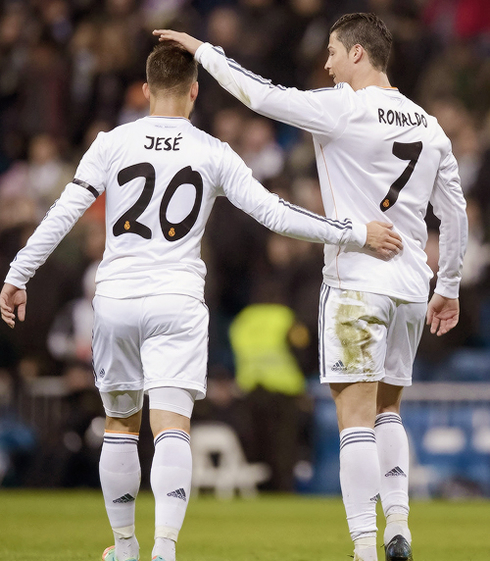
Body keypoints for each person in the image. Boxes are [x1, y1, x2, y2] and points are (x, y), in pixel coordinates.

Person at [0, 40, 401, 561]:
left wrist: (17, 274)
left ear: (146, 90)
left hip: (116, 296)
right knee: (172, 426)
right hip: (178, 300)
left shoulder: (112, 142)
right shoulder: (211, 150)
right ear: (193, 91)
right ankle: (165, 549)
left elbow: (62, 212)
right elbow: (276, 215)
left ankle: (125, 547)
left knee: (121, 426)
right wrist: (353, 231)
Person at [154, 12, 468, 561]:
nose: (324, 64)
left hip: (357, 281)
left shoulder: (343, 107)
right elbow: (456, 212)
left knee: (355, 418)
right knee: (388, 411)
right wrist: (452, 284)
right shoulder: (430, 125)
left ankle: (365, 549)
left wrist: (203, 51)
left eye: (331, 52)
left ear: (357, 55)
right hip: (413, 289)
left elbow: (259, 96)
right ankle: (399, 526)